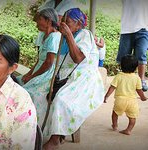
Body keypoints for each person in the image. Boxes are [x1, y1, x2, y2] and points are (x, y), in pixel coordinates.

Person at [42, 8, 105, 150]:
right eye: (63, 21)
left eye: (68, 22)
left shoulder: (85, 34)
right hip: (68, 77)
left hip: (85, 79)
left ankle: (55, 139)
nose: (64, 24)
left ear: (78, 24)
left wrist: (69, 35)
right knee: (41, 95)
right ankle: (52, 132)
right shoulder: (64, 37)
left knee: (61, 100)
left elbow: (77, 58)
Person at [16, 8, 61, 127]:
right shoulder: (44, 36)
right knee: (18, 82)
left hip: (47, 75)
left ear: (48, 21)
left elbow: (48, 63)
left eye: (40, 19)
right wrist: (29, 74)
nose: (37, 22)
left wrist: (32, 77)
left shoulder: (54, 37)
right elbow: (39, 61)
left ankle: (31, 125)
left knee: (28, 92)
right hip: (39, 71)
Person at [104, 54, 147, 135]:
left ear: (121, 65)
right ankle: (128, 130)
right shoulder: (137, 78)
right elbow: (139, 90)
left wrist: (106, 96)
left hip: (120, 100)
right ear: (136, 67)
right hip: (132, 101)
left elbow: (112, 87)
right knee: (132, 117)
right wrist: (143, 97)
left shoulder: (119, 76)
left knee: (115, 114)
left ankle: (115, 125)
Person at [116, 0, 148, 91]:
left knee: (141, 53)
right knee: (124, 56)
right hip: (127, 29)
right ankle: (124, 80)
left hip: (143, 29)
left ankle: (141, 80)